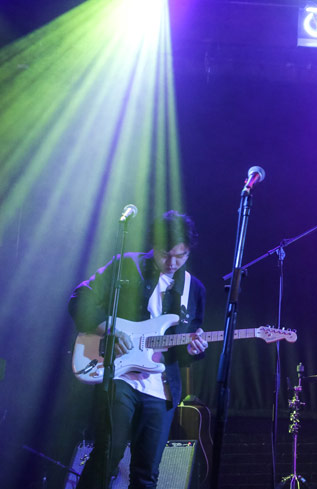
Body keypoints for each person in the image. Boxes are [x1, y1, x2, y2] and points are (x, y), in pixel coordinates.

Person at [69, 210, 209, 489]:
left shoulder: (194, 289)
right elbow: (79, 299)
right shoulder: (126, 265)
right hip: (120, 375)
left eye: (180, 256)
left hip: (161, 387)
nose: (172, 263)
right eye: (165, 254)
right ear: (153, 247)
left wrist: (195, 349)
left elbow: (183, 349)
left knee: (147, 473)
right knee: (108, 454)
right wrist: (107, 329)